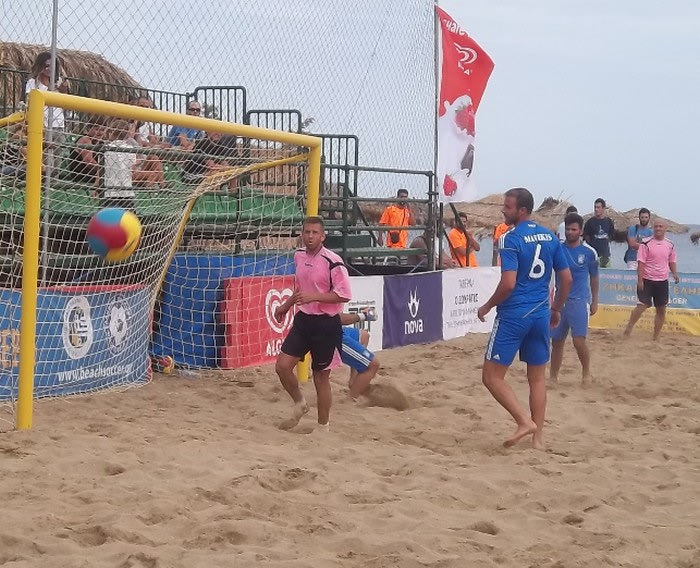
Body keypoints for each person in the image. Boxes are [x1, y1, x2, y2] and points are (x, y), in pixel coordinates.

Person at [477, 188, 572, 449]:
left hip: (514, 315)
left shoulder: (510, 238)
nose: (503, 210)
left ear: (522, 210)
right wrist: (556, 309)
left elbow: (508, 284)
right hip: (541, 313)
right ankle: (538, 440)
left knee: (491, 377)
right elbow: (566, 279)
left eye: (507, 207)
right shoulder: (550, 237)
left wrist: (487, 306)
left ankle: (523, 421)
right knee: (537, 379)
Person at [274, 216, 352, 431]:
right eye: (307, 232)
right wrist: (285, 305)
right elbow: (301, 289)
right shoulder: (299, 255)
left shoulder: (333, 261)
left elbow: (344, 295)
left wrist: (315, 297)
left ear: (323, 236)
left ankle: (323, 426)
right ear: (302, 234)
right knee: (282, 367)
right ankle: (300, 403)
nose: (310, 236)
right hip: (304, 320)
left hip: (326, 324)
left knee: (320, 377)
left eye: (314, 233)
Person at [549, 213, 599, 384]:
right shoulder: (557, 249)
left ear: (581, 231)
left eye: (574, 229)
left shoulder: (589, 252)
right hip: (560, 302)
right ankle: (553, 377)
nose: (570, 232)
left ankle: (586, 372)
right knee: (557, 341)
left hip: (579, 300)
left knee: (578, 341)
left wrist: (595, 300)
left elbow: (594, 278)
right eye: (568, 229)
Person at [623, 220, 680, 341]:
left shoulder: (670, 244)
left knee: (661, 309)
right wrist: (640, 280)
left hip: (662, 281)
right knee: (641, 306)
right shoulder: (645, 243)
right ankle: (629, 328)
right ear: (653, 228)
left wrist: (675, 273)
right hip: (647, 280)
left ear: (665, 228)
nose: (658, 228)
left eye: (660, 226)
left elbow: (671, 261)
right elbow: (641, 263)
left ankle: (655, 336)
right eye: (656, 226)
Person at [25, 51, 70, 172]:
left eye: (52, 66)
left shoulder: (59, 82)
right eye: (46, 66)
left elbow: (66, 106)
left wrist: (63, 91)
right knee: (45, 164)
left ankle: (53, 182)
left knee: (56, 163)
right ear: (40, 66)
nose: (49, 69)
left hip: (59, 125)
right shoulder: (33, 83)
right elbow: (30, 102)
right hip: (42, 125)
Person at [339, 310, 380, 400]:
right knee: (373, 364)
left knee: (364, 336)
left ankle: (354, 382)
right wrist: (363, 315)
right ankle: (351, 399)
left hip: (339, 329)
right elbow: (337, 319)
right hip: (332, 336)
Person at [67, 120, 106, 186]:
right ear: (89, 129)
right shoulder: (85, 139)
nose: (100, 132)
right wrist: (104, 169)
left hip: (96, 177)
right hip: (82, 177)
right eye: (96, 129)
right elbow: (89, 161)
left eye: (102, 130)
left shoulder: (100, 142)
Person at [583, 198, 615, 267]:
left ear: (603, 208)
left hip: (605, 256)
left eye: (598, 207)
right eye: (595, 207)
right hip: (593, 256)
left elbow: (611, 235)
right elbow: (586, 238)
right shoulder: (590, 222)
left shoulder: (609, 222)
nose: (596, 209)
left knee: (607, 273)